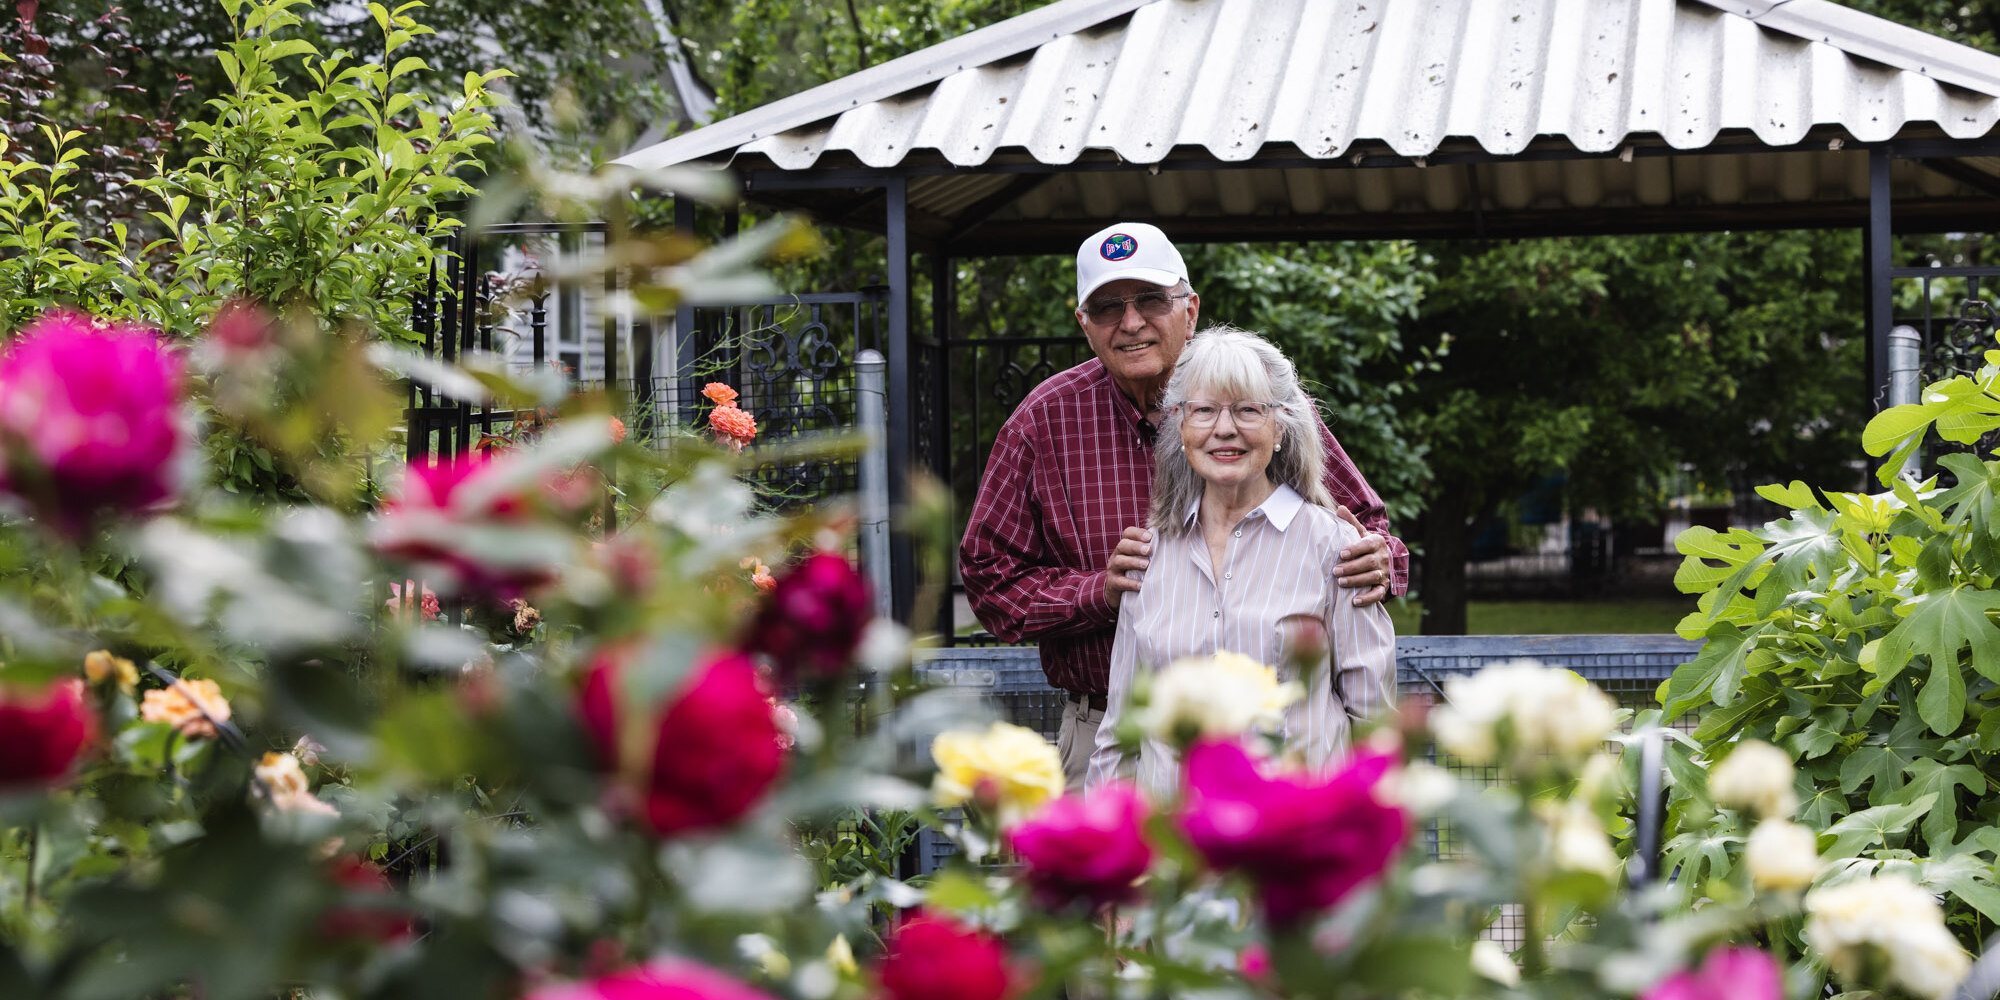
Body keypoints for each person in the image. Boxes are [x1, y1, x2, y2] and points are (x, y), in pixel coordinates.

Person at [958, 221, 1408, 791]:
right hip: (1114, 731)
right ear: (1084, 325)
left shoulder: (1261, 396)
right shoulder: (1044, 421)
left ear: (1190, 308)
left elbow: (1365, 533)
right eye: (1106, 308)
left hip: (1289, 752)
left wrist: (1380, 562)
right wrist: (1100, 592)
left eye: (1151, 299)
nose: (1131, 322)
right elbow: (989, 582)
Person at [1085, 328, 1396, 799]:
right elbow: (1120, 731)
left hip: (1292, 838)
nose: (1224, 429)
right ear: (1180, 426)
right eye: (1205, 410)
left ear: (1281, 426)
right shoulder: (1147, 555)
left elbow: (1373, 721)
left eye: (1248, 410)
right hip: (1179, 846)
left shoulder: (1336, 547)